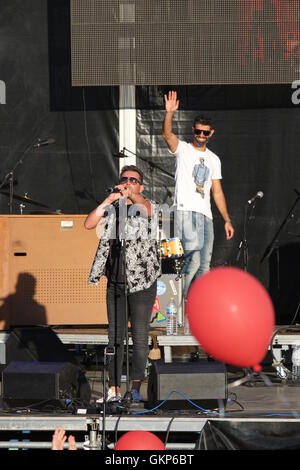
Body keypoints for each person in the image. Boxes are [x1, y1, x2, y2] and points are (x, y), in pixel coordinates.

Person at [85, 165, 160, 402]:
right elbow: (88, 224)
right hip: (116, 282)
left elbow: (146, 209)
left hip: (142, 284)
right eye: (124, 179)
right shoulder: (113, 208)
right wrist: (110, 198)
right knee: (114, 338)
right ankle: (114, 389)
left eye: (133, 180)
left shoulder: (149, 207)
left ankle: (135, 389)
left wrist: (132, 195)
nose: (128, 182)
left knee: (139, 337)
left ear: (141, 186)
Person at [162, 90, 234, 299]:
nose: (201, 136)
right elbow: (167, 135)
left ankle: (196, 308)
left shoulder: (214, 159)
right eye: (198, 132)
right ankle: (177, 305)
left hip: (206, 216)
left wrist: (226, 219)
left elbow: (217, 192)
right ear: (193, 130)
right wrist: (169, 114)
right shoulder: (183, 149)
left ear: (211, 134)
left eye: (205, 133)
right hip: (186, 212)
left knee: (204, 266)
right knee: (192, 261)